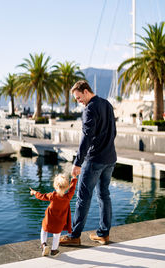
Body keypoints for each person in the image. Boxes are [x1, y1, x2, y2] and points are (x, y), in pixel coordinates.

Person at [59, 80, 117, 246]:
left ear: (85, 91)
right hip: (110, 158)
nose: (79, 101)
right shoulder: (107, 104)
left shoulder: (89, 109)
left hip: (94, 160)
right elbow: (114, 132)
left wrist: (78, 162)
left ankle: (74, 236)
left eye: (78, 98)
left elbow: (86, 138)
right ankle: (103, 234)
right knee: (104, 195)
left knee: (83, 197)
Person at [30, 173, 77, 257]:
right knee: (57, 234)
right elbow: (72, 188)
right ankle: (54, 250)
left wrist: (34, 192)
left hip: (49, 219)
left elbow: (42, 196)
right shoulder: (68, 197)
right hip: (60, 221)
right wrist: (74, 178)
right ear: (66, 187)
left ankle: (44, 245)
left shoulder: (52, 195)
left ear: (55, 186)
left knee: (44, 230)